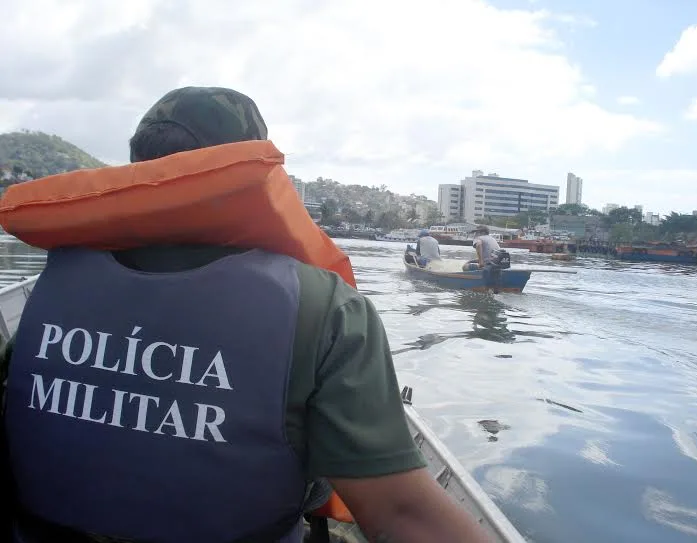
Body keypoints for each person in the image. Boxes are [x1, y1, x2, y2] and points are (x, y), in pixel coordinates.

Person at [0, 87, 492, 543]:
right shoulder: (328, 310)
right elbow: (403, 516)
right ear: (253, 171)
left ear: (139, 169)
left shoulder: (49, 289)